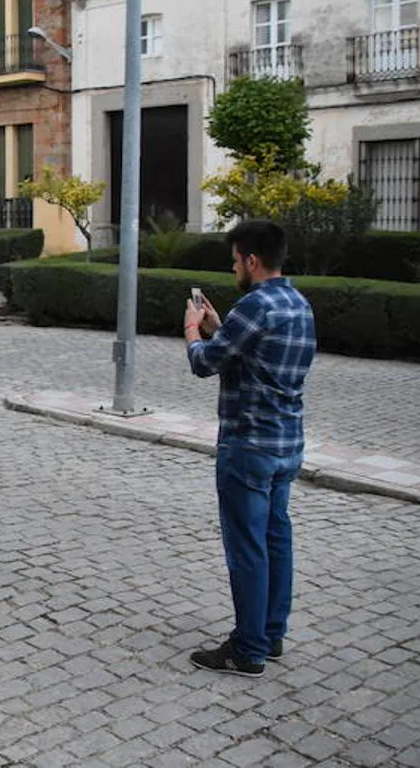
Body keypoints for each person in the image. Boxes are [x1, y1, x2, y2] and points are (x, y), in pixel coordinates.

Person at [184, 218, 316, 677]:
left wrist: (192, 330)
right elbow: (253, 360)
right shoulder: (299, 305)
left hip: (248, 446)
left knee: (247, 546)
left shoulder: (255, 306)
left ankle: (247, 649)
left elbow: (206, 362)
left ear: (252, 261)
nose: (234, 267)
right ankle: (271, 633)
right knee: (277, 537)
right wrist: (221, 325)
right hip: (287, 445)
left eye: (236, 260)